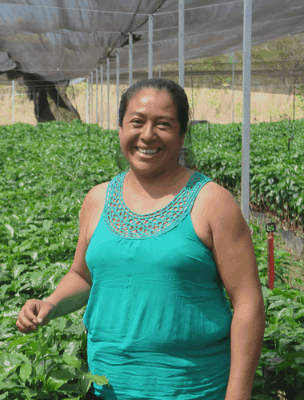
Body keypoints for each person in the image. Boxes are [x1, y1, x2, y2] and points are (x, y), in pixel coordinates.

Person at [16, 78, 266, 399]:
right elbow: (83, 275)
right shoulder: (98, 199)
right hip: (107, 387)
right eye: (137, 122)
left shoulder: (212, 203)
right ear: (120, 129)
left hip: (191, 388)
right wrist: (49, 304)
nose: (147, 135)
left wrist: (238, 393)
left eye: (163, 124)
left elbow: (248, 302)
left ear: (181, 134)